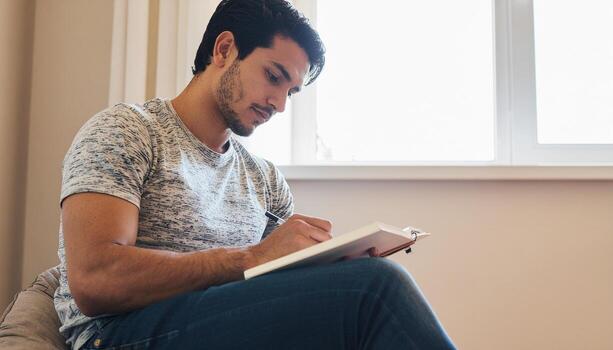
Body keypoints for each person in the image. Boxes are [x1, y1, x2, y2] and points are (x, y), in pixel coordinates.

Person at [55, 0, 456, 349]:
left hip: (215, 327)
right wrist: (250, 257)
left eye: (291, 92)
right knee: (376, 289)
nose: (280, 104)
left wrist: (336, 267)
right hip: (119, 334)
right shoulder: (127, 130)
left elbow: (275, 290)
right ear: (225, 49)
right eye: (274, 76)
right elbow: (95, 280)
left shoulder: (264, 179)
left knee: (361, 284)